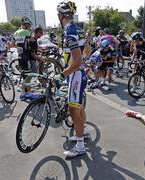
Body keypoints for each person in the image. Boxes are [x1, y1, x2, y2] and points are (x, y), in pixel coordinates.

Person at [55, 1, 89, 158]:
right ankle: (83, 131)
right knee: (80, 107)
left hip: (75, 74)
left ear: (61, 16)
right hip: (79, 74)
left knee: (73, 110)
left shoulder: (69, 33)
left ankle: (80, 145)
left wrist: (62, 74)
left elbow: (77, 61)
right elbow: (87, 50)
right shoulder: (79, 29)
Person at [10, 16, 34, 100]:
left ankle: (25, 92)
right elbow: (32, 41)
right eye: (28, 25)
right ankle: (26, 93)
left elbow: (12, 44)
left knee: (24, 76)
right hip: (26, 57)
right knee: (28, 76)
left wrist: (18, 47)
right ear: (25, 24)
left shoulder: (16, 33)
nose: (29, 27)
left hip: (19, 56)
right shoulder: (26, 32)